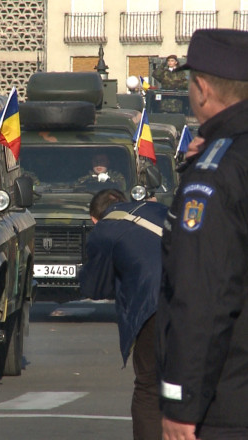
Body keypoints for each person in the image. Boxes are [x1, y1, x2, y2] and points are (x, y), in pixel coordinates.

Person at [157, 29, 248, 439]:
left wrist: (181, 402)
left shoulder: (217, 172)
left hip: (227, 403)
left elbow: (203, 295)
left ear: (203, 90)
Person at [80, 189, 167, 439]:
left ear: (94, 218)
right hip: (202, 297)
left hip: (153, 305)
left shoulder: (104, 229)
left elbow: (94, 287)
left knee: (149, 386)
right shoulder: (159, 209)